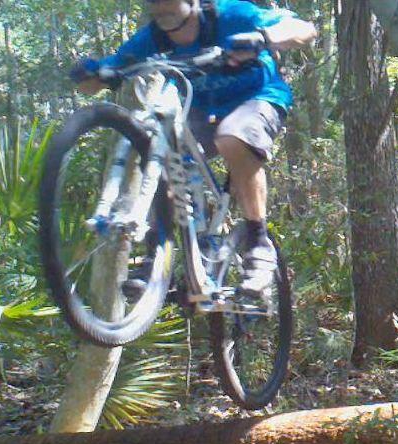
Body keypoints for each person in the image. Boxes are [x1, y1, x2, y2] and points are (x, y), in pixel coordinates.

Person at [72, 0, 317, 296]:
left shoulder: (232, 15)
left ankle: (258, 242)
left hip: (257, 98)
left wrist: (265, 38)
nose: (160, 6)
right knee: (158, 152)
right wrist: (92, 76)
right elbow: (107, 72)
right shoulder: (154, 37)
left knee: (232, 137)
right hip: (202, 111)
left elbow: (304, 29)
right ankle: (158, 255)